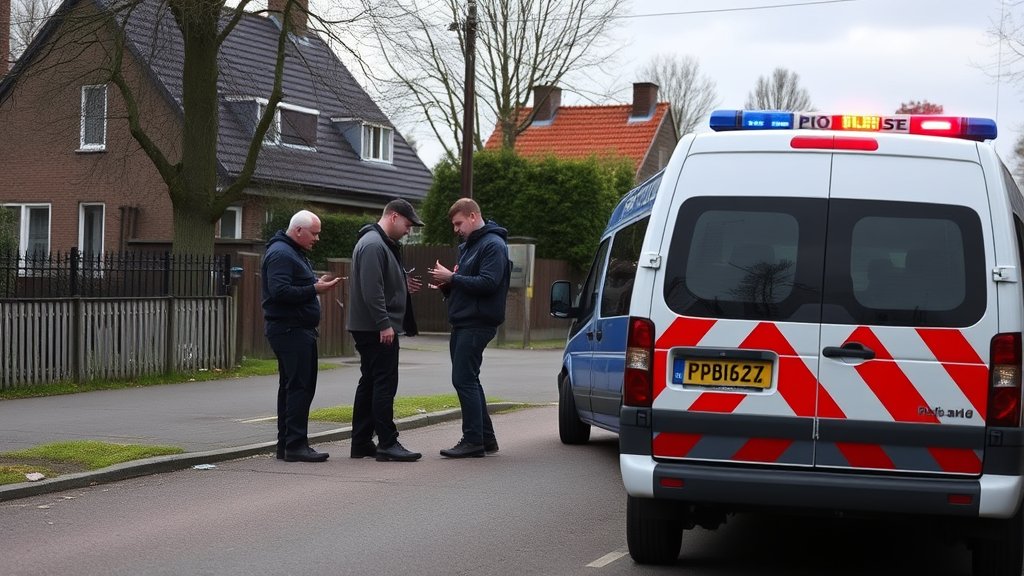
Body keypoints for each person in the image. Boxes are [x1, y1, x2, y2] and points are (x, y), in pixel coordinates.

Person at [428, 198, 511, 458]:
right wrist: (448, 286)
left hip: (477, 322)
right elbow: (470, 282)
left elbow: (488, 283)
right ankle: (486, 439)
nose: (456, 229)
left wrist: (452, 278)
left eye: (459, 223)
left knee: (463, 379)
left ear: (473, 216)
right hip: (465, 320)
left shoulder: (493, 245)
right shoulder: (470, 246)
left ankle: (473, 440)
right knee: (469, 379)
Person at [348, 199, 425, 462]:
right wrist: (384, 324)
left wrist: (402, 284)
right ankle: (387, 443)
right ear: (393, 216)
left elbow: (379, 282)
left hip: (369, 326)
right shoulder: (374, 244)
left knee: (370, 382)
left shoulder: (377, 243)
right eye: (407, 224)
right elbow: (372, 289)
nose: (408, 230)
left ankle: (361, 442)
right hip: (376, 327)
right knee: (384, 383)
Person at [261, 209, 341, 463]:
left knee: (292, 387)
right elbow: (279, 291)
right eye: (314, 233)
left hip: (294, 329)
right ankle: (295, 445)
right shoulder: (282, 254)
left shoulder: (290, 252)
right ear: (298, 230)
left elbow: (290, 285)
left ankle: (287, 445)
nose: (317, 238)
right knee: (299, 388)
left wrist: (313, 284)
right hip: (291, 330)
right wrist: (314, 288)